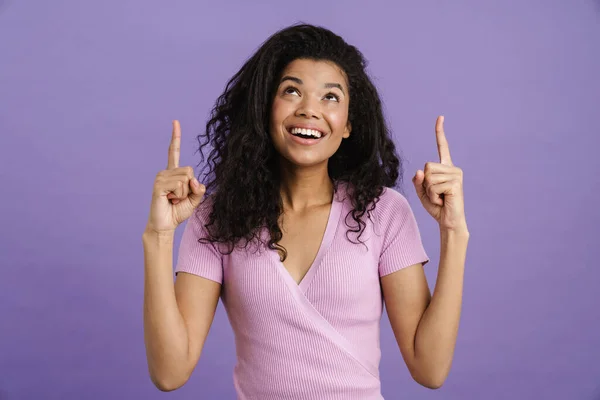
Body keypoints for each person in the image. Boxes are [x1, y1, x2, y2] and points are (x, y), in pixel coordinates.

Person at [142, 23, 469, 399]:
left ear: (348, 125)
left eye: (330, 97)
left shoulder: (384, 213)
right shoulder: (218, 217)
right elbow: (169, 372)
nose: (309, 109)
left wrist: (454, 233)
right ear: (265, 109)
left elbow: (429, 369)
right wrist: (159, 236)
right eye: (291, 90)